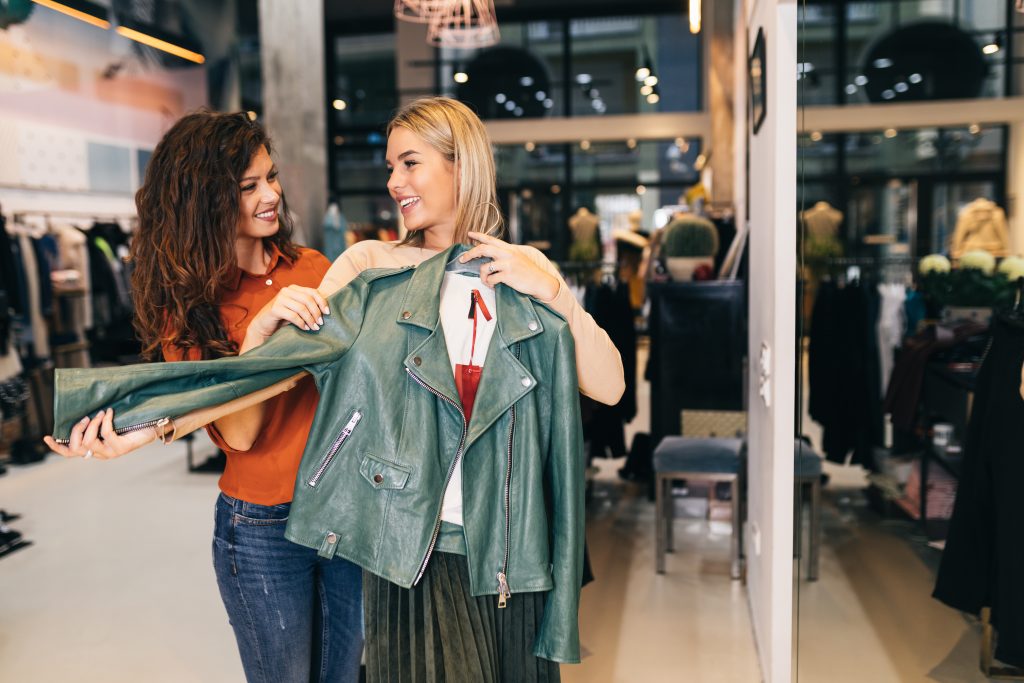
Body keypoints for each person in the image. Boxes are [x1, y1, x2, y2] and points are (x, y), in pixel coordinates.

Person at [48, 97, 626, 681]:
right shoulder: (367, 267)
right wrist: (146, 427)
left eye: (409, 163)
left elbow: (610, 385)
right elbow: (279, 374)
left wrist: (552, 292)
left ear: (461, 165)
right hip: (401, 544)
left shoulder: (521, 268)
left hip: (504, 544)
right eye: (390, 166)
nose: (392, 181)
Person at [46, 110, 363, 683]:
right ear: (208, 202)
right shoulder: (188, 307)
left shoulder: (314, 268)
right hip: (263, 529)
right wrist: (261, 335)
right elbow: (241, 436)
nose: (271, 195)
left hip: (343, 512)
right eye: (248, 187)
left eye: (271, 177)